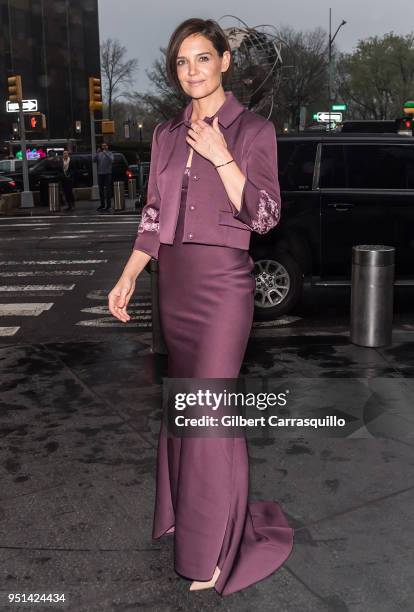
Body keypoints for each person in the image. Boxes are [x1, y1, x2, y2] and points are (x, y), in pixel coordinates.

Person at [108, 18, 294, 597]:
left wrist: (222, 157)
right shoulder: (164, 133)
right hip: (175, 287)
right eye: (182, 61)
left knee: (209, 415)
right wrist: (128, 277)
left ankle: (216, 547)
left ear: (224, 63)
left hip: (221, 289)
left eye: (202, 58)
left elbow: (265, 217)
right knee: (185, 411)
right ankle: (185, 518)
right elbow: (154, 217)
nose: (192, 70)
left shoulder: (253, 129)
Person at [93, 142, 114, 212]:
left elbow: (112, 160)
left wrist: (105, 153)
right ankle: (102, 204)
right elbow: (94, 160)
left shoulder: (110, 153)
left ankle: (108, 205)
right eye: (103, 146)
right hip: (100, 174)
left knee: (108, 190)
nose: (104, 147)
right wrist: (97, 153)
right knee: (101, 190)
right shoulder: (99, 154)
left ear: (107, 147)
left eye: (105, 146)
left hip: (107, 174)